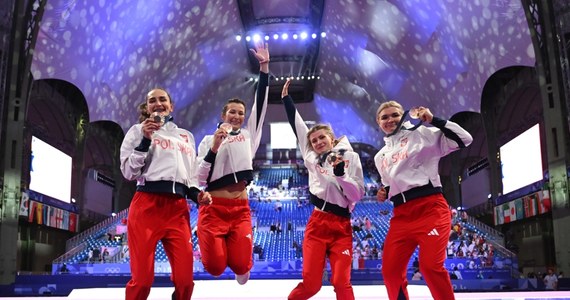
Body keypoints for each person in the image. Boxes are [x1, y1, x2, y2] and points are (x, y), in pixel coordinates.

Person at [374, 101, 473, 300]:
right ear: (378, 122)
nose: (390, 120)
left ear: (403, 116)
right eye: (384, 117)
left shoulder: (421, 134)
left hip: (430, 209)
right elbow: (389, 183)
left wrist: (434, 120)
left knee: (430, 267)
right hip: (401, 215)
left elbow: (465, 139)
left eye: (395, 115)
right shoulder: (380, 156)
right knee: (390, 271)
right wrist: (384, 191)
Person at [120, 87, 209, 300]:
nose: (158, 103)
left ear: (171, 105)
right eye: (153, 100)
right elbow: (128, 172)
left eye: (163, 99)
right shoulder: (136, 130)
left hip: (178, 210)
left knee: (185, 281)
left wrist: (198, 195)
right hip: (146, 207)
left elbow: (190, 177)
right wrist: (145, 139)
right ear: (147, 107)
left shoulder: (186, 136)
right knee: (142, 282)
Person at [281, 79, 365, 300]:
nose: (318, 142)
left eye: (322, 138)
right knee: (311, 286)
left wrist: (342, 176)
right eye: (314, 140)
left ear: (332, 138)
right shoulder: (311, 158)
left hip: (342, 226)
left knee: (341, 282)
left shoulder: (351, 157)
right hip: (318, 224)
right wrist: (286, 99)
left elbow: (357, 194)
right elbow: (298, 127)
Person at [195, 41, 270, 285]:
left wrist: (265, 67)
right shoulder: (207, 140)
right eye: (232, 112)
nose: (237, 116)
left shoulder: (249, 136)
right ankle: (220, 251)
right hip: (213, 209)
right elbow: (199, 177)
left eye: (241, 112)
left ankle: (239, 259)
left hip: (240, 210)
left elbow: (261, 105)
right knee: (215, 268)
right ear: (223, 115)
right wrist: (215, 147)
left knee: (240, 266)